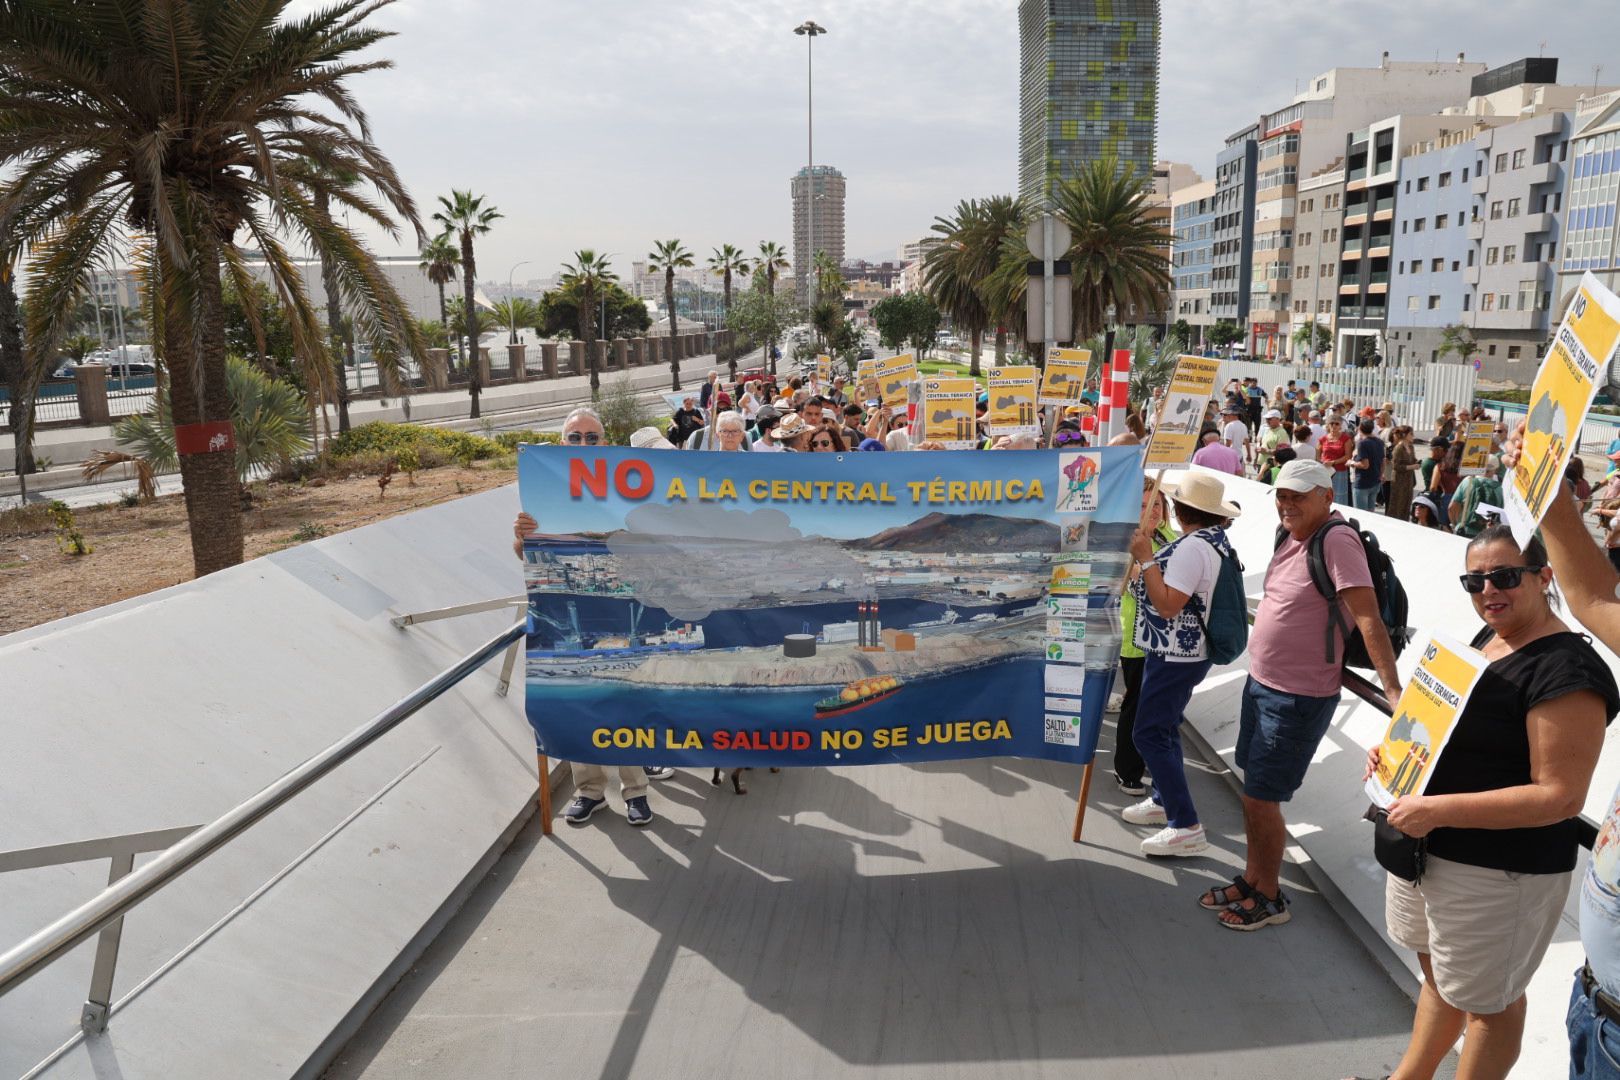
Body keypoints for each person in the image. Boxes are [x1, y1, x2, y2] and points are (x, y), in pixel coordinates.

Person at [1366, 525, 1615, 1080]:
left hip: (1498, 873)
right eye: (1473, 580)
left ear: (1544, 577)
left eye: (1504, 576)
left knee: (1489, 1006)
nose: (1488, 591)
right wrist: (1395, 756)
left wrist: (1437, 810)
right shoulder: (1490, 638)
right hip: (1430, 852)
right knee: (1442, 979)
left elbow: (1559, 796)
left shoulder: (1567, 671)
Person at [1203, 459, 1401, 930]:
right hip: (1264, 683)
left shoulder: (1336, 540)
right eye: (1281, 495)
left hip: (1297, 695)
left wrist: (1393, 690)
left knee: (1261, 796)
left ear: (1327, 496)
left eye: (1298, 496)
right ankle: (1254, 879)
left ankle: (1270, 897)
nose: (1286, 504)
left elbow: (1368, 617)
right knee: (1253, 791)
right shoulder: (1289, 535)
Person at [512, 406, 666, 827]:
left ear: (605, 442)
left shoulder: (626, 484)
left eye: (591, 437)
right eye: (575, 437)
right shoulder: (543, 485)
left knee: (624, 702)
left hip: (619, 607)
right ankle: (590, 790)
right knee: (577, 705)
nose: (583, 444)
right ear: (563, 442)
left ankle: (635, 791)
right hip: (566, 608)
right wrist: (521, 536)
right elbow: (529, 558)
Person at [1122, 472, 1242, 858]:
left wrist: (1144, 559)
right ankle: (1163, 799)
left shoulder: (1192, 548)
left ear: (1177, 507)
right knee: (1165, 727)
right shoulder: (1212, 541)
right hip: (1186, 652)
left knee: (1149, 733)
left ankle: (1185, 823)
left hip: (1176, 652)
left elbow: (1169, 604)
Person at [1114, 481, 1178, 796]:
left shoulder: (1171, 537)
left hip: (1169, 638)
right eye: (1143, 505)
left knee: (1161, 707)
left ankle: (1153, 759)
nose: (1151, 511)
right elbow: (1145, 582)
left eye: (1156, 504)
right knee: (1136, 705)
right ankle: (1127, 768)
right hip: (1136, 638)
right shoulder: (1126, 541)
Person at [1448, 457, 1504, 539]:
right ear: (1496, 469)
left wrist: (1455, 525)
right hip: (1486, 535)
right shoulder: (1501, 489)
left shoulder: (1468, 481)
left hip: (1464, 530)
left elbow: (1451, 508)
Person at [1349, 417, 1385, 512]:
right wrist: (1381, 475)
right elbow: (1383, 461)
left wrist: (1351, 463)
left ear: (1360, 428)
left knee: (1360, 514)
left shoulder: (1363, 443)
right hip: (1375, 481)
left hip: (1363, 482)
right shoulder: (1379, 442)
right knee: (1370, 512)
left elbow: (1365, 465)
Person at [1317, 415, 1354, 505]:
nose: (1334, 426)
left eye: (1336, 424)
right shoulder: (1323, 439)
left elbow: (1348, 456)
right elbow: (1317, 456)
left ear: (1340, 425)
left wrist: (1333, 462)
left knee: (1339, 497)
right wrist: (1323, 462)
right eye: (1331, 423)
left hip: (1339, 471)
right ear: (1328, 425)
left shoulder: (1346, 439)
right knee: (1324, 495)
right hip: (1325, 471)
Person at [1386, 425, 1419, 522]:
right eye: (1411, 434)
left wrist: (1417, 463)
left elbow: (1413, 459)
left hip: (1409, 479)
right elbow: (1396, 466)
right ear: (1404, 435)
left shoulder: (1411, 446)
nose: (1413, 436)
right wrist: (1412, 467)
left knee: (1407, 503)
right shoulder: (1398, 448)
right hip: (1399, 481)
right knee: (1397, 505)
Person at [1256, 408, 1289, 478]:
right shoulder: (1268, 430)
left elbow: (1283, 452)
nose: (1267, 421)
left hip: (1271, 466)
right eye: (1266, 419)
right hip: (1262, 464)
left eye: (1270, 419)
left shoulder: (1282, 433)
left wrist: (1266, 451)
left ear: (1277, 419)